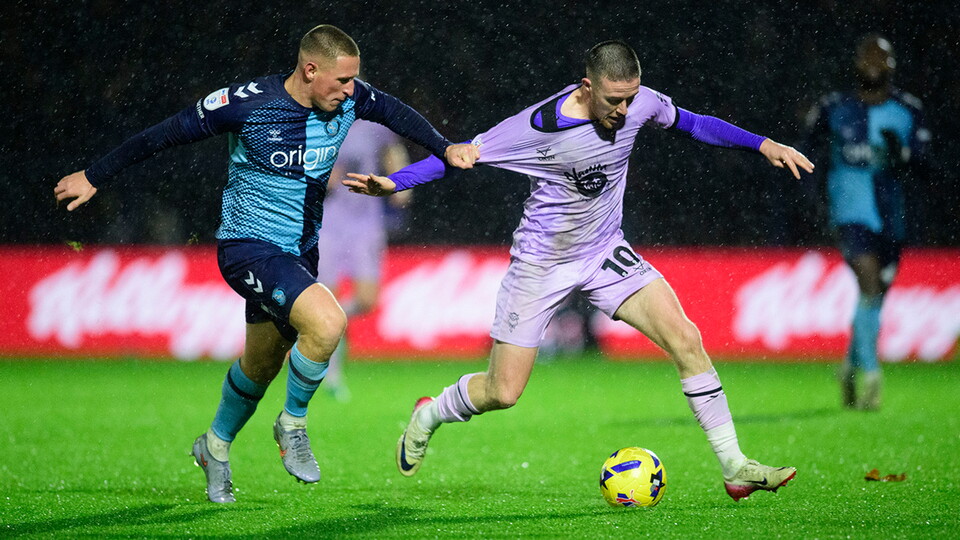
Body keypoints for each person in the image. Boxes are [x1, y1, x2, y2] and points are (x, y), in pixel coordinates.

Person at [345, 40, 813, 501]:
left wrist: (762, 144)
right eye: (614, 100)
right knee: (503, 392)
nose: (626, 110)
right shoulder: (536, 127)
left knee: (686, 339)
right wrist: (393, 182)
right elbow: (459, 155)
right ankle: (429, 414)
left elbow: (693, 123)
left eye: (631, 98)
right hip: (540, 265)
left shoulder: (639, 102)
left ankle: (735, 466)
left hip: (605, 252)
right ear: (587, 87)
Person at [54, 24, 478, 503]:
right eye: (340, 81)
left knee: (260, 366)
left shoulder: (354, 97)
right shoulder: (247, 103)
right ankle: (292, 425)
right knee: (327, 323)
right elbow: (165, 134)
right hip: (248, 246)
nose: (349, 91)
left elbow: (401, 115)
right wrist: (94, 174)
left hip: (300, 252)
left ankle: (214, 446)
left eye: (353, 81)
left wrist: (444, 147)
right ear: (309, 68)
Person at [803, 34, 929, 411]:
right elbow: (804, 151)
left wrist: (902, 154)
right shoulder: (834, 107)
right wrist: (812, 200)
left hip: (891, 215)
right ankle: (872, 376)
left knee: (873, 297)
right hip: (848, 210)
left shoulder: (907, 110)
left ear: (892, 66)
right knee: (869, 282)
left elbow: (928, 168)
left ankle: (849, 366)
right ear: (856, 63)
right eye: (867, 56)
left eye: (882, 57)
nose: (873, 62)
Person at [317, 117, 413, 401]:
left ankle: (315, 329)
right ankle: (331, 376)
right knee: (328, 298)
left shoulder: (376, 126)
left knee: (367, 300)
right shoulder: (320, 124)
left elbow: (392, 153)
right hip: (330, 223)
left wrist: (402, 182)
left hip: (366, 224)